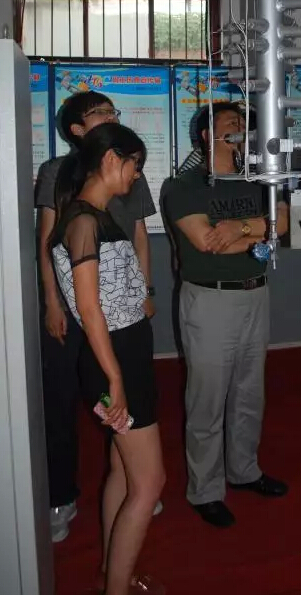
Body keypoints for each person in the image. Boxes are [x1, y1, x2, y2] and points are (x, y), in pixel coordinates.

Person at [35, 90, 161, 543]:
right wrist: (53, 302)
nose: (111, 116)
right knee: (63, 398)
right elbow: (52, 248)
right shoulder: (69, 190)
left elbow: (139, 237)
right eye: (101, 112)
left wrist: (143, 289)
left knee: (125, 450)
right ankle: (63, 496)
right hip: (94, 317)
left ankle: (134, 476)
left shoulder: (108, 199)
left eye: (113, 111)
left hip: (121, 316)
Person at [161, 102, 289, 528]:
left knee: (250, 393)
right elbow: (206, 242)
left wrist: (239, 229)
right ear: (206, 136)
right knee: (208, 399)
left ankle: (244, 470)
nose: (241, 128)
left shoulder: (258, 178)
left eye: (244, 123)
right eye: (231, 122)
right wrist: (258, 232)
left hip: (257, 294)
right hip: (210, 300)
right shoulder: (184, 185)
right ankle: (205, 490)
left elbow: (283, 222)